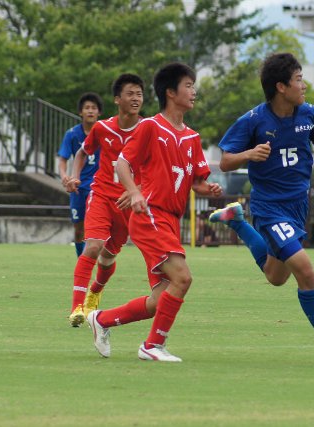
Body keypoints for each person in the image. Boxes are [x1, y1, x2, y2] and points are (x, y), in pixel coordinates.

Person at [208, 52, 314, 365]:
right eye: (298, 79)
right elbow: (224, 161)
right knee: (305, 270)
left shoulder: (311, 114)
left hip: (297, 207)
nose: (303, 85)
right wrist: (249, 154)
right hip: (269, 208)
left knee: (276, 277)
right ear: (281, 87)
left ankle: (237, 222)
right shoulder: (254, 119)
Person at [86, 62, 222, 362]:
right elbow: (123, 164)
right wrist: (134, 192)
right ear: (171, 92)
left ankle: (102, 319)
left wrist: (208, 189)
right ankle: (152, 345)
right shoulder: (150, 126)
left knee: (159, 299)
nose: (194, 91)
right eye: (188, 85)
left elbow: (196, 182)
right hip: (150, 216)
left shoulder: (192, 138)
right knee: (183, 278)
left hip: (170, 221)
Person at [64, 73, 145, 327]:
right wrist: (75, 176)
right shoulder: (103, 128)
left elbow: (156, 168)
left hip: (127, 204)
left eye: (139, 94)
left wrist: (135, 190)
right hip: (100, 195)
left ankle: (95, 291)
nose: (136, 98)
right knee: (93, 246)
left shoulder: (149, 130)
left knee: (108, 257)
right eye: (130, 94)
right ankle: (77, 308)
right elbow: (82, 153)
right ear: (117, 99)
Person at [58, 92, 104, 257]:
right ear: (80, 112)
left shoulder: (106, 132)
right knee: (79, 229)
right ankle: (81, 261)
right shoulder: (72, 134)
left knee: (99, 231)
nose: (90, 111)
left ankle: (99, 263)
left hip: (100, 188)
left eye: (94, 108)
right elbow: (63, 159)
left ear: (99, 112)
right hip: (79, 187)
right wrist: (64, 175)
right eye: (87, 108)